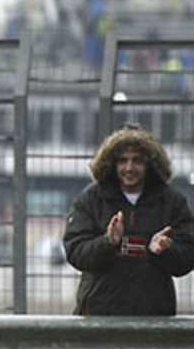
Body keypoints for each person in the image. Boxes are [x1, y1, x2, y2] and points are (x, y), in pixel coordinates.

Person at [64, 123, 194, 315]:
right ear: (111, 163)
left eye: (138, 161)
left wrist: (165, 250)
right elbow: (75, 251)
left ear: (150, 164)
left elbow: (187, 257)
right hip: (99, 314)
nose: (129, 168)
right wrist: (107, 242)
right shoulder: (91, 199)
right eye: (122, 161)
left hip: (154, 317)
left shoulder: (172, 202)